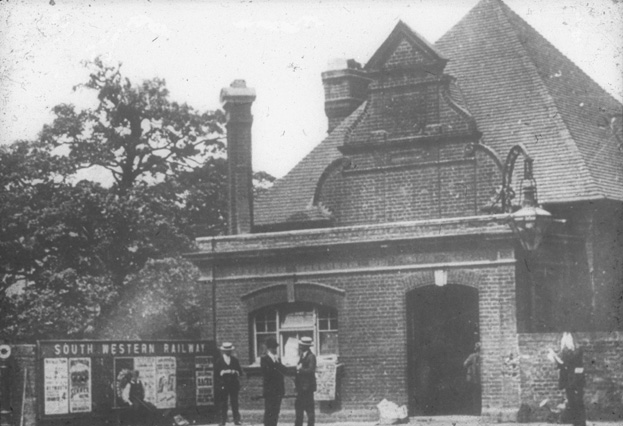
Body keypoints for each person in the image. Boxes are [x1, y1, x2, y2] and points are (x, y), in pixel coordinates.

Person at [548, 332, 586, 426]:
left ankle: (580, 423)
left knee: (578, 402)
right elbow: (561, 365)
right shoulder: (566, 352)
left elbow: (569, 363)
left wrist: (558, 358)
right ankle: (576, 423)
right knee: (572, 403)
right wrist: (554, 359)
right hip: (569, 381)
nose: (565, 343)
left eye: (567, 340)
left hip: (576, 381)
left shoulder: (577, 350)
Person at [261, 337, 288, 426]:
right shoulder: (264, 359)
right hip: (270, 390)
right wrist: (277, 365)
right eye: (273, 348)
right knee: (269, 411)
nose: (275, 349)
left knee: (276, 411)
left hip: (278, 390)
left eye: (275, 347)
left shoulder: (277, 359)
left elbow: (283, 371)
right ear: (269, 348)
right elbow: (268, 373)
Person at [215, 342, 243, 426]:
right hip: (224, 385)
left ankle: (236, 420)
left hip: (233, 384)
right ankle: (222, 421)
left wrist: (234, 371)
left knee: (235, 403)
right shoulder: (219, 361)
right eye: (226, 351)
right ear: (223, 351)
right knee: (223, 403)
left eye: (229, 351)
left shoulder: (234, 360)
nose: (228, 352)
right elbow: (216, 374)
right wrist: (223, 372)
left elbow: (240, 372)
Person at [294, 336, 316, 426]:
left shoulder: (311, 356)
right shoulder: (302, 355)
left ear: (306, 346)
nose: (300, 347)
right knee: (299, 409)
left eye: (302, 345)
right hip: (301, 387)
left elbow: (311, 370)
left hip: (307, 388)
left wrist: (300, 369)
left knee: (309, 410)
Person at [463, 342, 481, 415]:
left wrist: (470, 367)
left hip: (475, 379)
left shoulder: (472, 356)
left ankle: (476, 411)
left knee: (475, 395)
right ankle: (479, 411)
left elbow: (464, 364)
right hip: (482, 379)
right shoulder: (484, 356)